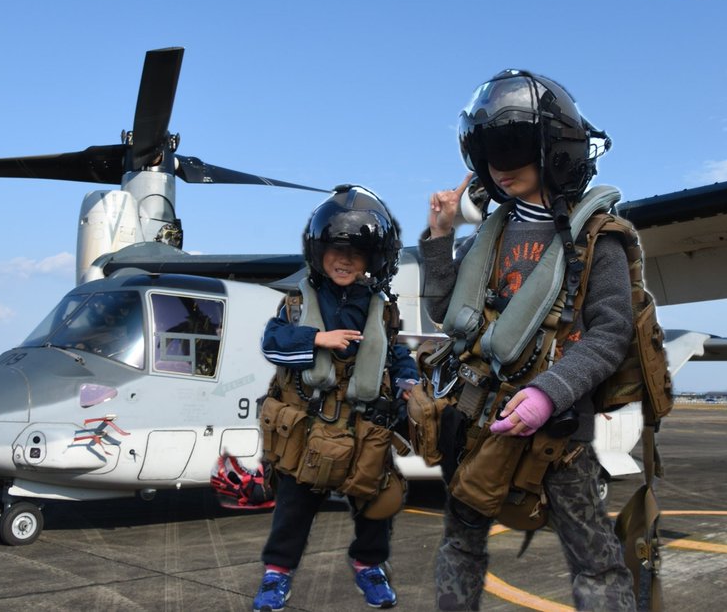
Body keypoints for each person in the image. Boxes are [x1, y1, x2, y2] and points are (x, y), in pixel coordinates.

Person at [419, 69, 637, 610]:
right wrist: (440, 236)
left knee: (596, 560)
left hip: (557, 438)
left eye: (514, 147)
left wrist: (548, 393)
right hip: (478, 424)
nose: (500, 164)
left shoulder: (598, 239)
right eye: (490, 152)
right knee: (460, 546)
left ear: (554, 150)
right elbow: (446, 313)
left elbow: (612, 332)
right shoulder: (485, 239)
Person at [254, 185, 418, 612]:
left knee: (375, 505)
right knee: (293, 509)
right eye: (335, 250)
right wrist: (315, 339)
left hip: (364, 428)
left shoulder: (381, 310)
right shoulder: (295, 306)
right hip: (309, 428)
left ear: (372, 260)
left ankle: (369, 566)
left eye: (356, 253)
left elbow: (393, 352)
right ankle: (277, 574)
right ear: (318, 252)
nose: (344, 260)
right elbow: (272, 342)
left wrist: (409, 380)